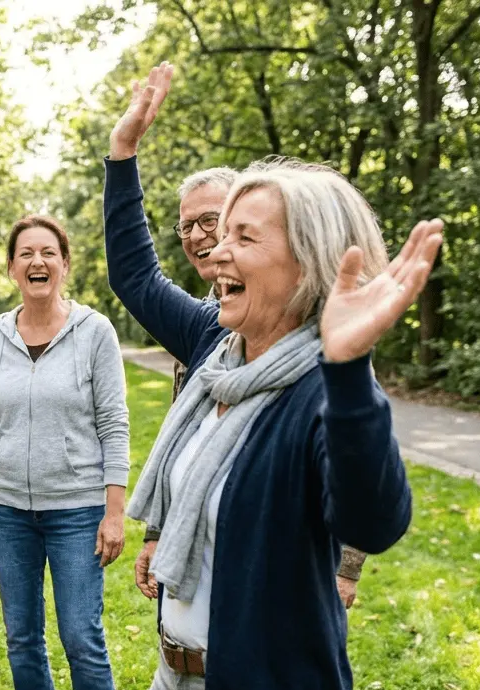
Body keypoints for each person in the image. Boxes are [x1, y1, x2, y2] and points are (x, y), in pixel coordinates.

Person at [105, 65, 443, 690]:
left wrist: (350, 369)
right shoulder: (214, 347)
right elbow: (133, 272)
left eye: (242, 237)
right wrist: (124, 151)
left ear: (309, 264)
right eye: (218, 234)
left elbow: (374, 516)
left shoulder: (323, 391)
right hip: (176, 689)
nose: (215, 251)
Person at [129, 165, 368, 614]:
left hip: (253, 651)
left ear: (302, 257)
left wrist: (346, 567)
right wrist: (158, 533)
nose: (213, 245)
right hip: (178, 656)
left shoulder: (320, 381)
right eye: (191, 225)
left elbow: (364, 503)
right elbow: (192, 465)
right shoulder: (215, 343)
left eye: (230, 232)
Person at [0, 215, 130, 690]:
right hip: (8, 510)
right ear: (11, 268)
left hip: (78, 509)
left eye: (48, 253)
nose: (37, 262)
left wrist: (115, 511)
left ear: (64, 264)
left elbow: (114, 423)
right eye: (26, 253)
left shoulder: (94, 332)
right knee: (22, 635)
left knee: (82, 636)